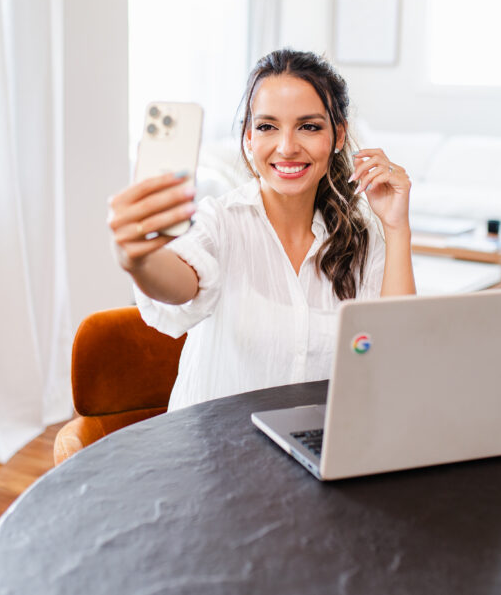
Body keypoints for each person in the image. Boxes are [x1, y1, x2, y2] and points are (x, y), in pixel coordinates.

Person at [108, 49, 415, 410]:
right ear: (249, 138)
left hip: (316, 453)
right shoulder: (220, 222)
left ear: (339, 136)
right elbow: (180, 284)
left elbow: (394, 354)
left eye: (309, 126)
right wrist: (139, 260)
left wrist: (396, 226)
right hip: (220, 453)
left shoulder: (361, 239)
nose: (287, 148)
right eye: (268, 126)